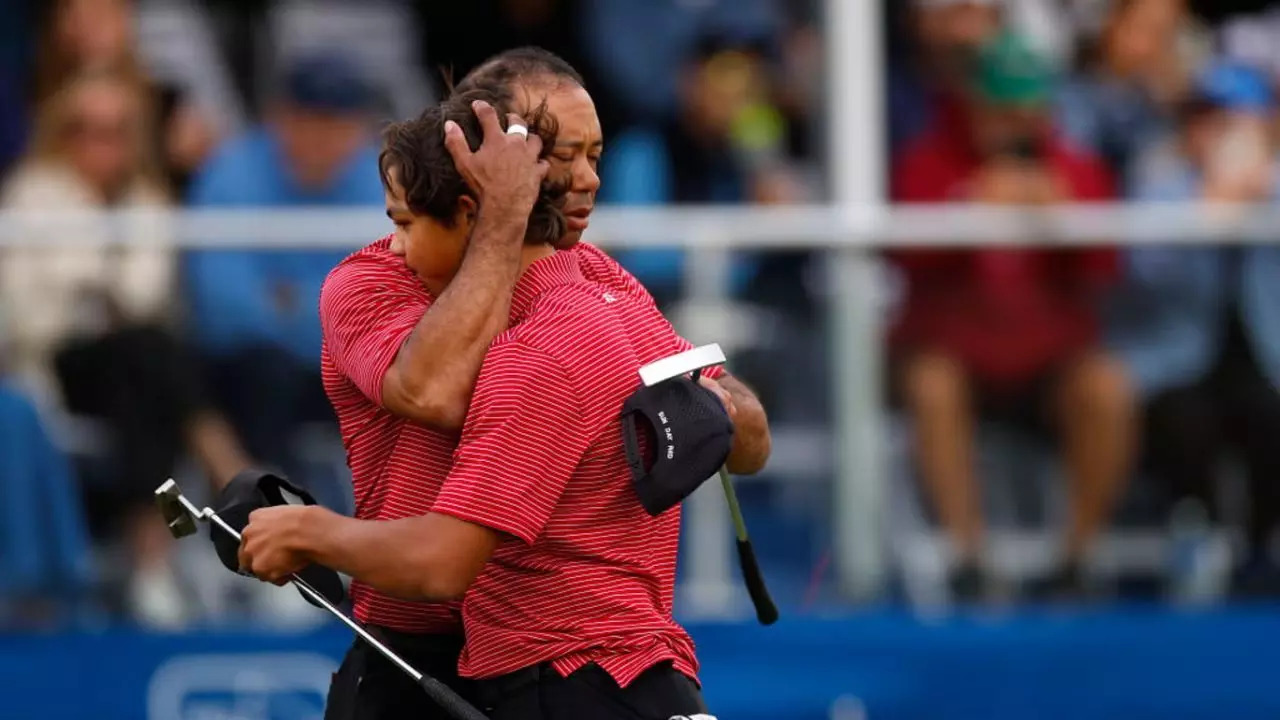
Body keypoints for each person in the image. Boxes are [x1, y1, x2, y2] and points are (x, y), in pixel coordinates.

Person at [238, 48, 769, 720]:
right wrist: (504, 223)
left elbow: (749, 437)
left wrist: (714, 409)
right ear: (492, 165)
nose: (585, 180)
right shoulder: (367, 281)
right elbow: (435, 391)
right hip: (416, 652)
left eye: (595, 157)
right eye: (560, 157)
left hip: (553, 660)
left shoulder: (588, 292)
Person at [0, 69, 249, 628]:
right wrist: (98, 289)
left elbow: (144, 292)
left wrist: (88, 283)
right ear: (59, 133)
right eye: (83, 130)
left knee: (142, 370)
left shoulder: (146, 199)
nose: (99, 145)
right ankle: (237, 489)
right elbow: (27, 317)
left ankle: (152, 554)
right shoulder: (28, 196)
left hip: (130, 376)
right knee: (149, 355)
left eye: (115, 131)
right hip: (53, 367)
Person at [890, 32, 1134, 601]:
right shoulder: (928, 163)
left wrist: (1065, 220)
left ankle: (1076, 558)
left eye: (1024, 110)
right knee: (932, 384)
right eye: (999, 110)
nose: (1012, 125)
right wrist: (967, 208)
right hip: (957, 354)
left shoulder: (1076, 169)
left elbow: (1108, 267)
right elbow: (903, 256)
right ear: (973, 105)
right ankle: (968, 557)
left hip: (1050, 361)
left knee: (1107, 388)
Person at [1110, 62, 1280, 598]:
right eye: (1208, 119)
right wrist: (1206, 211)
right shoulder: (1158, 185)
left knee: (1269, 416)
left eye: (1235, 122)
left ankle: (1261, 547)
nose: (1220, 134)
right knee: (1185, 420)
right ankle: (1197, 535)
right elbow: (1139, 274)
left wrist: (1257, 195)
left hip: (1265, 358)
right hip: (1176, 362)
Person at [184, 51, 383, 483]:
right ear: (282, 118)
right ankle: (266, 517)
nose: (327, 136)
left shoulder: (377, 180)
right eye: (314, 118)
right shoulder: (230, 173)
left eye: (341, 121)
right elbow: (223, 312)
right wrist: (328, 306)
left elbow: (384, 307)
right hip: (253, 372)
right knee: (264, 372)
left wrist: (288, 298)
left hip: (347, 368)